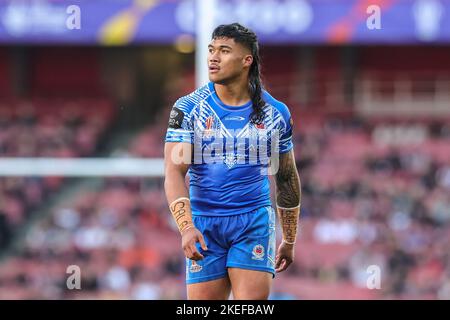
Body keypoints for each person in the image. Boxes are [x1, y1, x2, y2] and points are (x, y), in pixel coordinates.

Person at [164, 23, 301, 300]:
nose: (213, 57)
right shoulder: (188, 108)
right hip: (204, 224)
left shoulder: (276, 113)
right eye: (211, 50)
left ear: (246, 60)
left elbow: (286, 176)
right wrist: (187, 227)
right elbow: (174, 172)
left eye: (224, 51)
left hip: (253, 221)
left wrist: (289, 238)